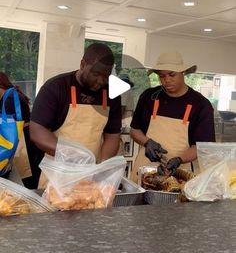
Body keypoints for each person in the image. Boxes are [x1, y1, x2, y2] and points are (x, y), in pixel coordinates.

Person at [30, 43, 121, 169]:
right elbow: (37, 131)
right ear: (83, 64)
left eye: (106, 76)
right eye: (96, 74)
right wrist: (72, 156)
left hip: (92, 170)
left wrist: (103, 165)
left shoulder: (112, 93)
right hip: (57, 172)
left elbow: (112, 135)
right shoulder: (56, 87)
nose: (101, 81)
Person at [130, 51, 215, 182]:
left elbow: (200, 147)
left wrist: (179, 160)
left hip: (180, 174)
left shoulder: (200, 104)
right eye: (162, 76)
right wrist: (147, 142)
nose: (167, 80)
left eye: (172, 74)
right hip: (144, 170)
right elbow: (135, 130)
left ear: (183, 73)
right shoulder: (149, 96)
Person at [0, 72, 43, 187]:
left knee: (26, 178)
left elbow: (7, 126)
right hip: (22, 138)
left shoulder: (9, 98)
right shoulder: (11, 95)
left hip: (23, 141)